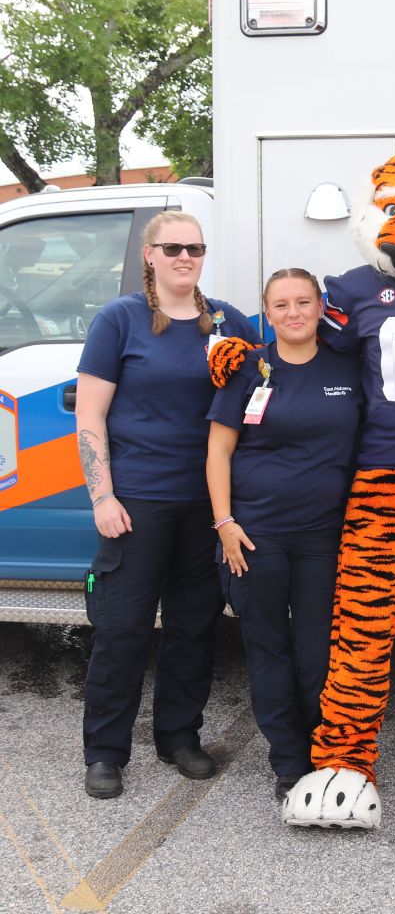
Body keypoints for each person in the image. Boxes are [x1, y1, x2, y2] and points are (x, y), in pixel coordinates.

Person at [75, 211, 258, 800]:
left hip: (205, 507)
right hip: (136, 503)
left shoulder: (228, 320)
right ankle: (105, 752)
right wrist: (102, 495)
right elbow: (90, 415)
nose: (186, 257)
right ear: (149, 255)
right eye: (173, 247)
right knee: (122, 629)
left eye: (196, 248)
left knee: (193, 627)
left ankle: (179, 737)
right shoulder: (119, 320)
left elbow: (257, 399)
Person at [206, 269, 362, 801]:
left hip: (326, 536)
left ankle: (324, 752)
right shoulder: (249, 367)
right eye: (281, 305)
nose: (293, 313)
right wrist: (225, 523)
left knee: (319, 652)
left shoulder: (349, 366)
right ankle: (288, 762)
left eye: (303, 302)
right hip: (255, 536)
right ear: (266, 314)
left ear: (320, 307)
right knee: (268, 648)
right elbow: (218, 452)